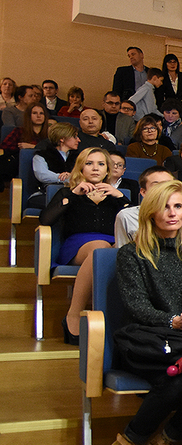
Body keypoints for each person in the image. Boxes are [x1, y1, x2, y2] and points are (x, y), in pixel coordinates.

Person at [85, 181, 182, 445]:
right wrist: (174, 321)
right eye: (165, 206)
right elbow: (137, 307)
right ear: (150, 212)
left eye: (178, 206)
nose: (172, 213)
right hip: (144, 340)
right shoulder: (132, 253)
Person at [40, 147, 127, 344]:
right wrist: (73, 194)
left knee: (110, 249)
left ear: (107, 170)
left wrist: (120, 197)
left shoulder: (116, 197)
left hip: (113, 246)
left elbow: (138, 222)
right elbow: (45, 220)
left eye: (101, 164)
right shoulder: (67, 192)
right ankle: (73, 313)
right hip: (77, 246)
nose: (95, 168)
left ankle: (109, 320)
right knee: (100, 247)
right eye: (89, 163)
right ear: (81, 168)